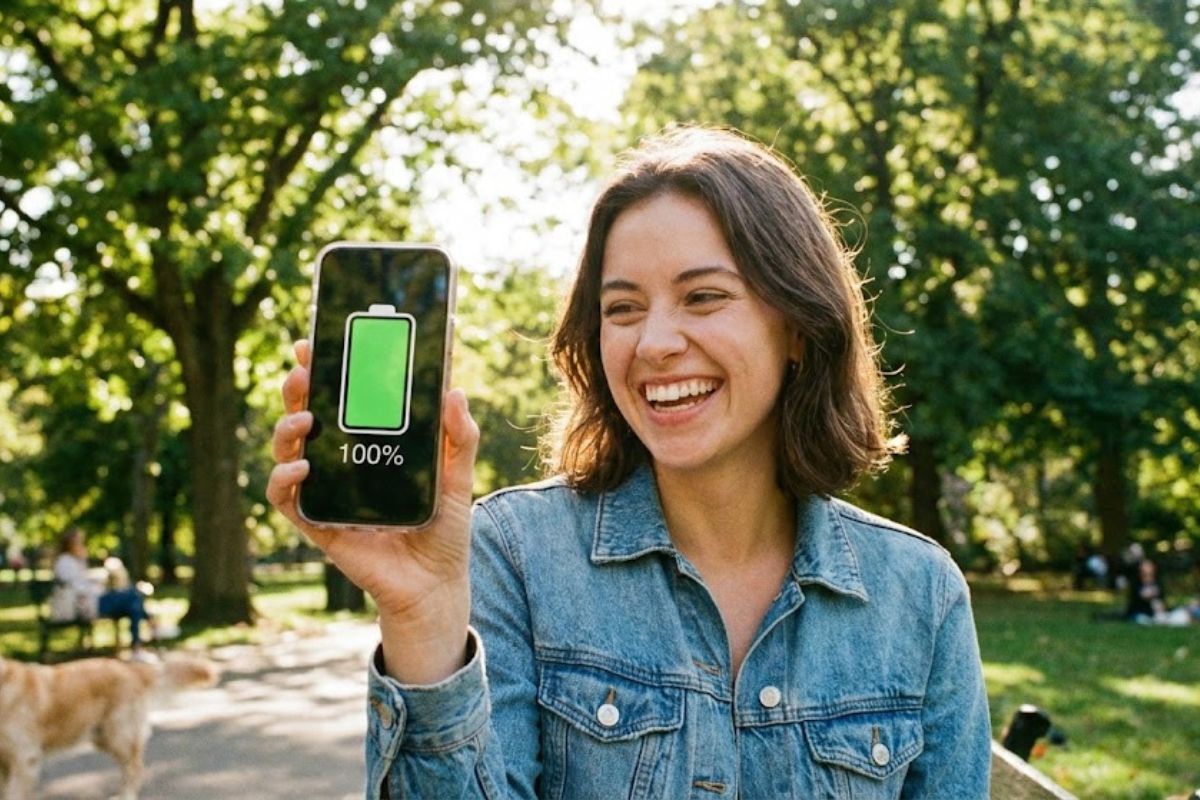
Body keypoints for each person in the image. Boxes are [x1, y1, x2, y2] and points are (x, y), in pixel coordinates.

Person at [268, 126, 992, 798]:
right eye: (621, 309)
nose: (654, 343)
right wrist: (420, 618)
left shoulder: (920, 595)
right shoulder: (514, 555)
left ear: (799, 326)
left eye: (704, 297)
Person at [51, 528, 157, 659]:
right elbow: (77, 588)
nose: (82, 545)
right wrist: (98, 587)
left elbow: (82, 583)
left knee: (133, 603)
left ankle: (139, 643)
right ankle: (147, 632)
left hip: (89, 602)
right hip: (82, 607)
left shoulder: (73, 561)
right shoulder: (65, 562)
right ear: (70, 543)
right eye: (79, 542)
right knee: (133, 596)